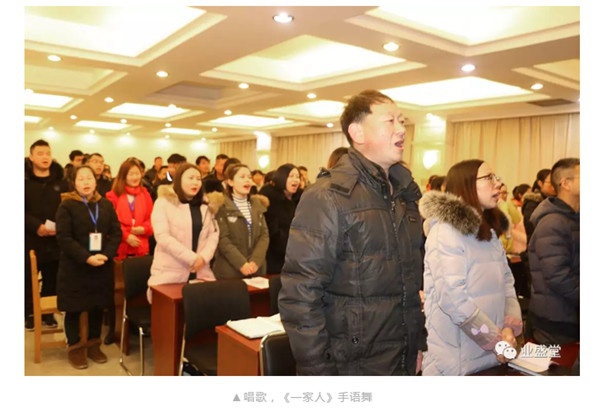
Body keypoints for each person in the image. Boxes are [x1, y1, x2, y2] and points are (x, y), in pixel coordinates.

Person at [278, 90, 426, 375]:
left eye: (402, 121)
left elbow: (410, 284)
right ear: (357, 132)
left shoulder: (405, 194)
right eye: (390, 121)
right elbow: (300, 294)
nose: (401, 129)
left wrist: (416, 343)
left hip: (402, 358)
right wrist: (318, 371)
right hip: (350, 364)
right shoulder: (328, 195)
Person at [419, 159, 522, 375]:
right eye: (489, 178)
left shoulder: (489, 232)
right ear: (466, 185)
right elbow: (453, 300)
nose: (497, 184)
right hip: (456, 360)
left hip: (492, 353)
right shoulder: (445, 232)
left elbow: (507, 284)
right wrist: (494, 339)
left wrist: (508, 329)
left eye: (496, 177)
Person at [55, 165, 122, 369]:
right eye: (81, 179)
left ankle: (94, 344)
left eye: (89, 178)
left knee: (97, 306)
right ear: (74, 183)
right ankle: (75, 347)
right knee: (74, 309)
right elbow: (64, 238)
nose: (86, 182)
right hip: (75, 266)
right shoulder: (67, 205)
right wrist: (86, 257)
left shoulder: (105, 204)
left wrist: (106, 254)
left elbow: (116, 233)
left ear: (95, 181)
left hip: (101, 264)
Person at [147, 163, 222, 303]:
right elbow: (162, 236)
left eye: (198, 179)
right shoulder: (163, 203)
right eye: (190, 178)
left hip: (201, 272)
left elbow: (213, 235)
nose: (195, 182)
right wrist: (192, 258)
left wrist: (203, 258)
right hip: (170, 273)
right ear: (179, 180)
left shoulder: (205, 206)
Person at [527, 158, 579, 345]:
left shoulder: (573, 218)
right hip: (556, 321)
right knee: (556, 362)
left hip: (570, 315)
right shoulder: (553, 223)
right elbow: (558, 276)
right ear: (566, 184)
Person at [25, 139, 69, 329]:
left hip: (55, 240)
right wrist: (36, 226)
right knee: (28, 279)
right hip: (30, 238)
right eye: (40, 153)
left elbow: (68, 207)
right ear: (31, 157)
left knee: (52, 278)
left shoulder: (62, 182)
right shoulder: (24, 181)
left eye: (48, 153)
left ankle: (48, 313)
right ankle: (29, 312)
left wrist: (60, 225)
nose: (45, 157)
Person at [213, 163, 270, 279]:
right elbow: (223, 239)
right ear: (230, 182)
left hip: (256, 269)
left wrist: (255, 261)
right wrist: (242, 264)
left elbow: (264, 235)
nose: (247, 180)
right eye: (242, 177)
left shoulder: (257, 204)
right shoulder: (222, 206)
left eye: (249, 177)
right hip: (230, 270)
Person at [106, 158, 154, 261]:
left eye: (137, 173)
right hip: (120, 246)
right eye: (131, 174)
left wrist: (144, 229)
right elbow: (110, 222)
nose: (135, 177)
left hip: (141, 245)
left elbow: (151, 218)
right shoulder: (113, 196)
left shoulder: (145, 194)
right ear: (123, 176)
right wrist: (126, 236)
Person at [259, 163, 302, 274]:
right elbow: (271, 230)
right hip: (275, 255)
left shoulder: (301, 199)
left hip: (298, 254)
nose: (295, 180)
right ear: (282, 177)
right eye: (291, 176)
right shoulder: (270, 198)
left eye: (297, 177)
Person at [522, 168, 556, 240]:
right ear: (540, 183)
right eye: (551, 182)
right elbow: (531, 228)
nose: (554, 186)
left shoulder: (556, 201)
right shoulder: (532, 203)